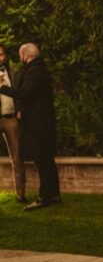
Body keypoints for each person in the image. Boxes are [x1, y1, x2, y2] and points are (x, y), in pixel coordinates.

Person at [0, 43, 60, 210]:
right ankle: (53, 194)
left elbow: (25, 93)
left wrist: (3, 88)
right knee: (47, 159)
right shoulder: (39, 69)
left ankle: (44, 197)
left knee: (42, 159)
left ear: (25, 56)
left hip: (38, 123)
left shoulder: (34, 72)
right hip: (43, 121)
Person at [0, 44, 26, 203]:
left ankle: (21, 194)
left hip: (11, 119)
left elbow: (22, 94)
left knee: (17, 157)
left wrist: (20, 110)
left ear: (5, 56)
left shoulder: (14, 74)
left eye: (1, 54)